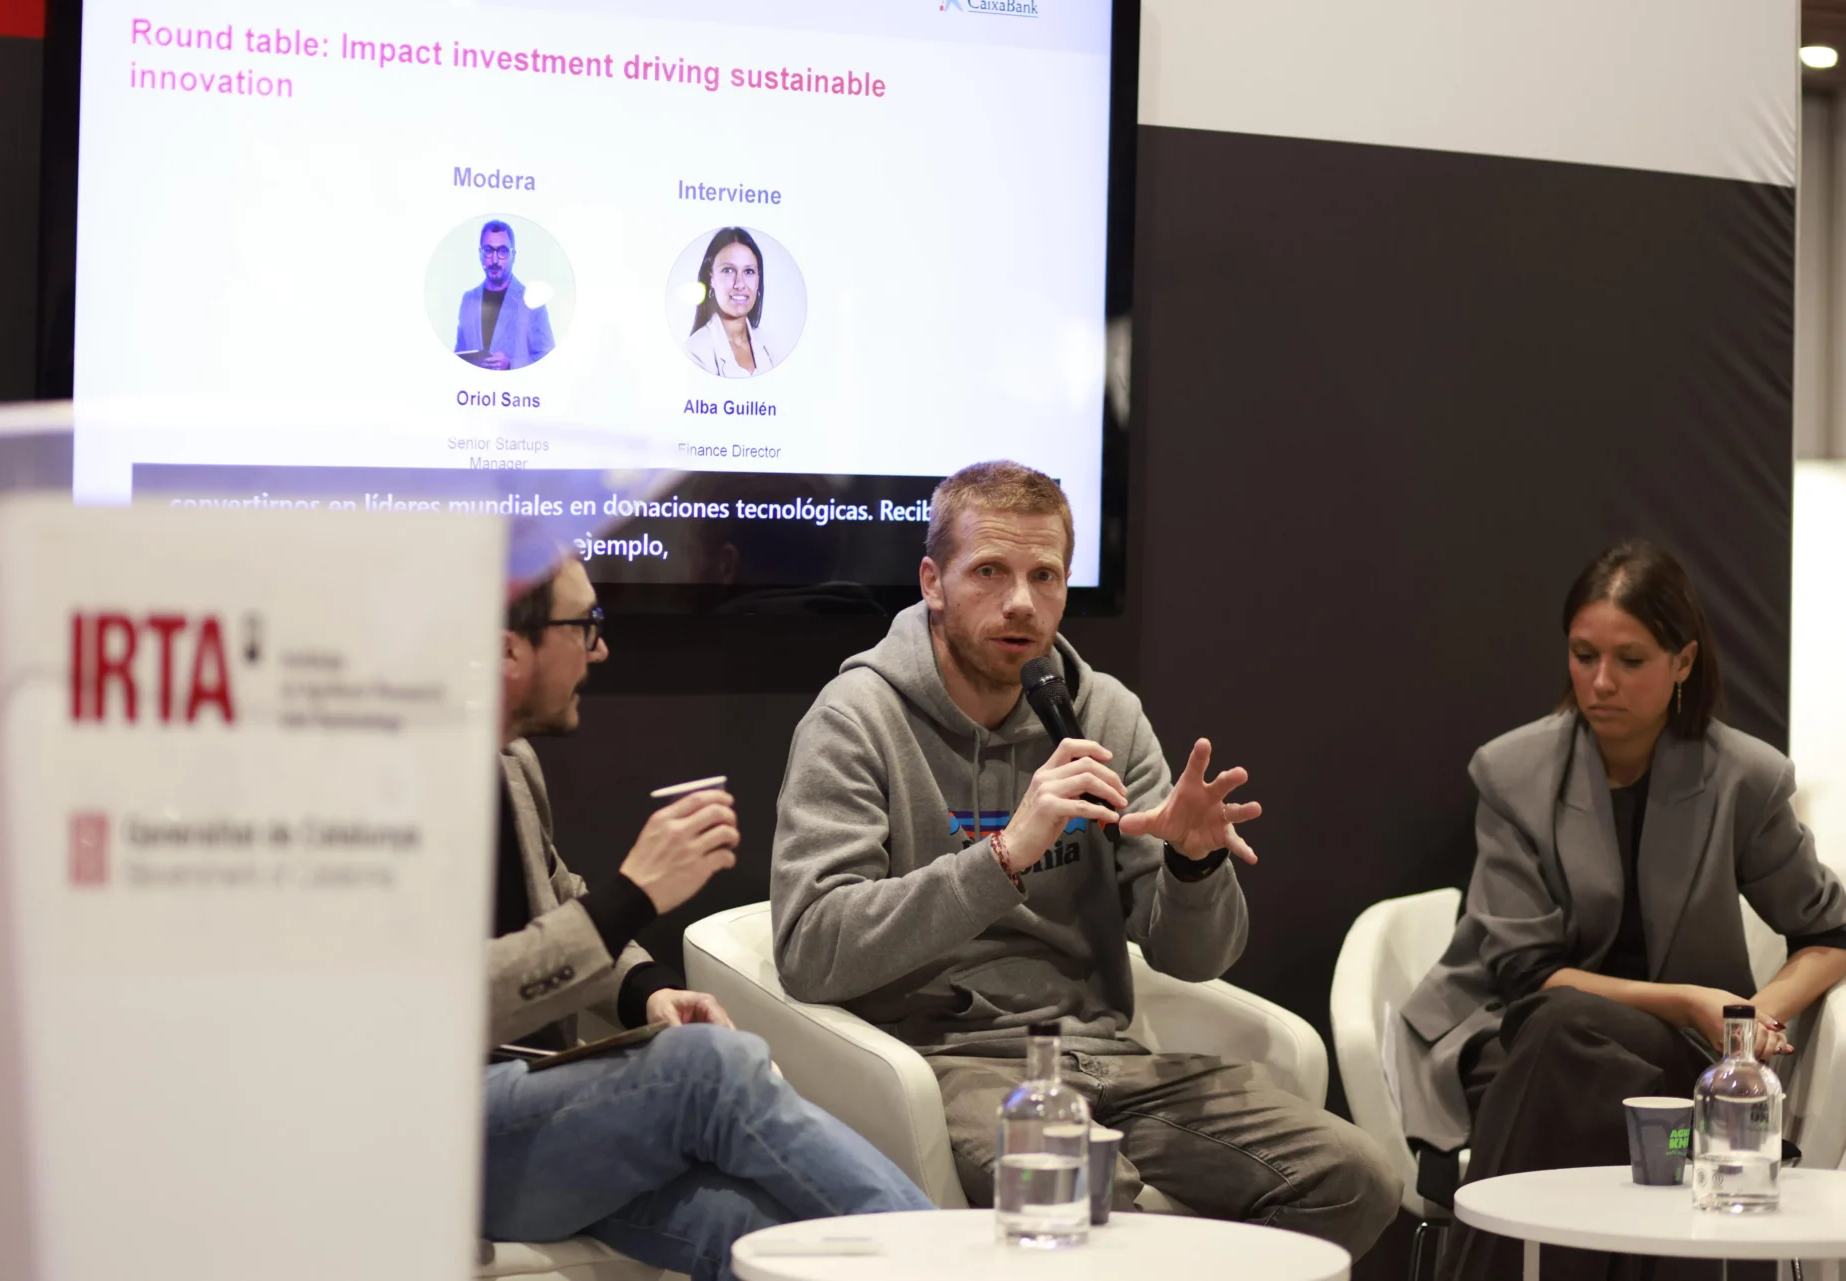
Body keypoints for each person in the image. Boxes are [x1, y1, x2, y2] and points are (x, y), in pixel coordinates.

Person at [768, 460, 1401, 1259]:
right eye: (989, 572)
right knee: (1087, 1204)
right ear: (933, 583)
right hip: (950, 1063)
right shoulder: (857, 718)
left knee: (1355, 1177)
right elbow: (813, 949)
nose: (1021, 602)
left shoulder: (1103, 713)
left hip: (1111, 1058)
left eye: (1045, 575)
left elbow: (1194, 960)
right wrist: (1004, 854)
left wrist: (1193, 867)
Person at [480, 523, 930, 1281]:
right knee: (705, 1071)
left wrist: (645, 990)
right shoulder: (396, 789)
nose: (600, 649)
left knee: (756, 1233)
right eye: (583, 624)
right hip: (428, 1133)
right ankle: (952, 1264)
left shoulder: (510, 761)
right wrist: (635, 895)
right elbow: (434, 1011)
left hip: (532, 1111)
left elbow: (557, 901)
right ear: (507, 649)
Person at [1396, 540, 1846, 1281]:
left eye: (1630, 660)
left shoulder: (1745, 779)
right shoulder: (1513, 772)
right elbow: (1527, 978)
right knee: (1565, 1035)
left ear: (1684, 661)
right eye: (1583, 655)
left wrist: (1747, 1024)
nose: (1600, 681)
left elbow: (1829, 933)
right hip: (1514, 1036)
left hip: (1676, 1055)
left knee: (1580, 1061)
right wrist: (1694, 1000)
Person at [456, 220, 555, 370]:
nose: (494, 260)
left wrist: (511, 364)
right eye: (488, 250)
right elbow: (460, 355)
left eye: (502, 251)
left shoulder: (533, 301)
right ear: (480, 254)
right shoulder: (468, 300)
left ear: (513, 256)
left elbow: (548, 357)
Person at [686, 227, 779, 377]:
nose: (739, 284)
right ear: (711, 279)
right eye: (728, 270)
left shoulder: (771, 346)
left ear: (758, 280)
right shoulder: (696, 352)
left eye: (749, 271)